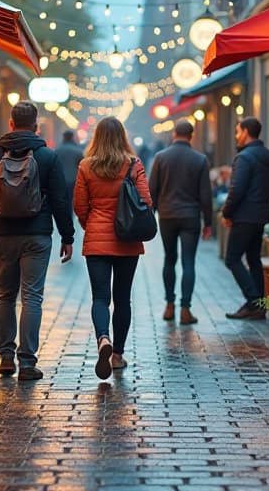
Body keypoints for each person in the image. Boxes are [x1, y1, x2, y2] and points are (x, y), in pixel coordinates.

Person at [0, 101, 75, 381]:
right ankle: (28, 362)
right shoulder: (47, 157)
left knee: (6, 295)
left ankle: (6, 357)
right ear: (36, 125)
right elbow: (59, 199)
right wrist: (68, 236)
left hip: (4, 235)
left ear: (10, 123)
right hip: (37, 234)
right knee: (32, 296)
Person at [73, 116, 151, 379]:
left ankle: (102, 339)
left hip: (97, 240)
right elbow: (146, 202)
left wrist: (92, 226)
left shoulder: (85, 166)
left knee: (100, 298)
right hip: (127, 240)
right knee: (122, 299)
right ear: (122, 137)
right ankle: (117, 355)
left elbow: (80, 207)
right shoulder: (133, 164)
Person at [148, 120, 212, 325]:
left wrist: (153, 213)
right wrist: (208, 222)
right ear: (191, 136)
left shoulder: (160, 158)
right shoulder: (200, 159)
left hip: (167, 215)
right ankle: (185, 309)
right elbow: (206, 195)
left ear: (174, 133)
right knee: (188, 262)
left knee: (169, 259)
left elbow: (152, 191)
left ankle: (169, 306)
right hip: (191, 216)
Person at [221, 116, 269, 320]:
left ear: (246, 132)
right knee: (253, 258)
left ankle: (254, 300)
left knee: (232, 259)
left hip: (244, 216)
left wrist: (227, 212)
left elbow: (236, 189)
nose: (237, 136)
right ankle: (259, 304)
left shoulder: (244, 158)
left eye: (238, 131)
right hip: (261, 214)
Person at [55, 129, 85, 202]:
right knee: (72, 200)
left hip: (60, 179)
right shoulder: (78, 151)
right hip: (74, 179)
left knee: (63, 201)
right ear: (72, 137)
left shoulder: (57, 151)